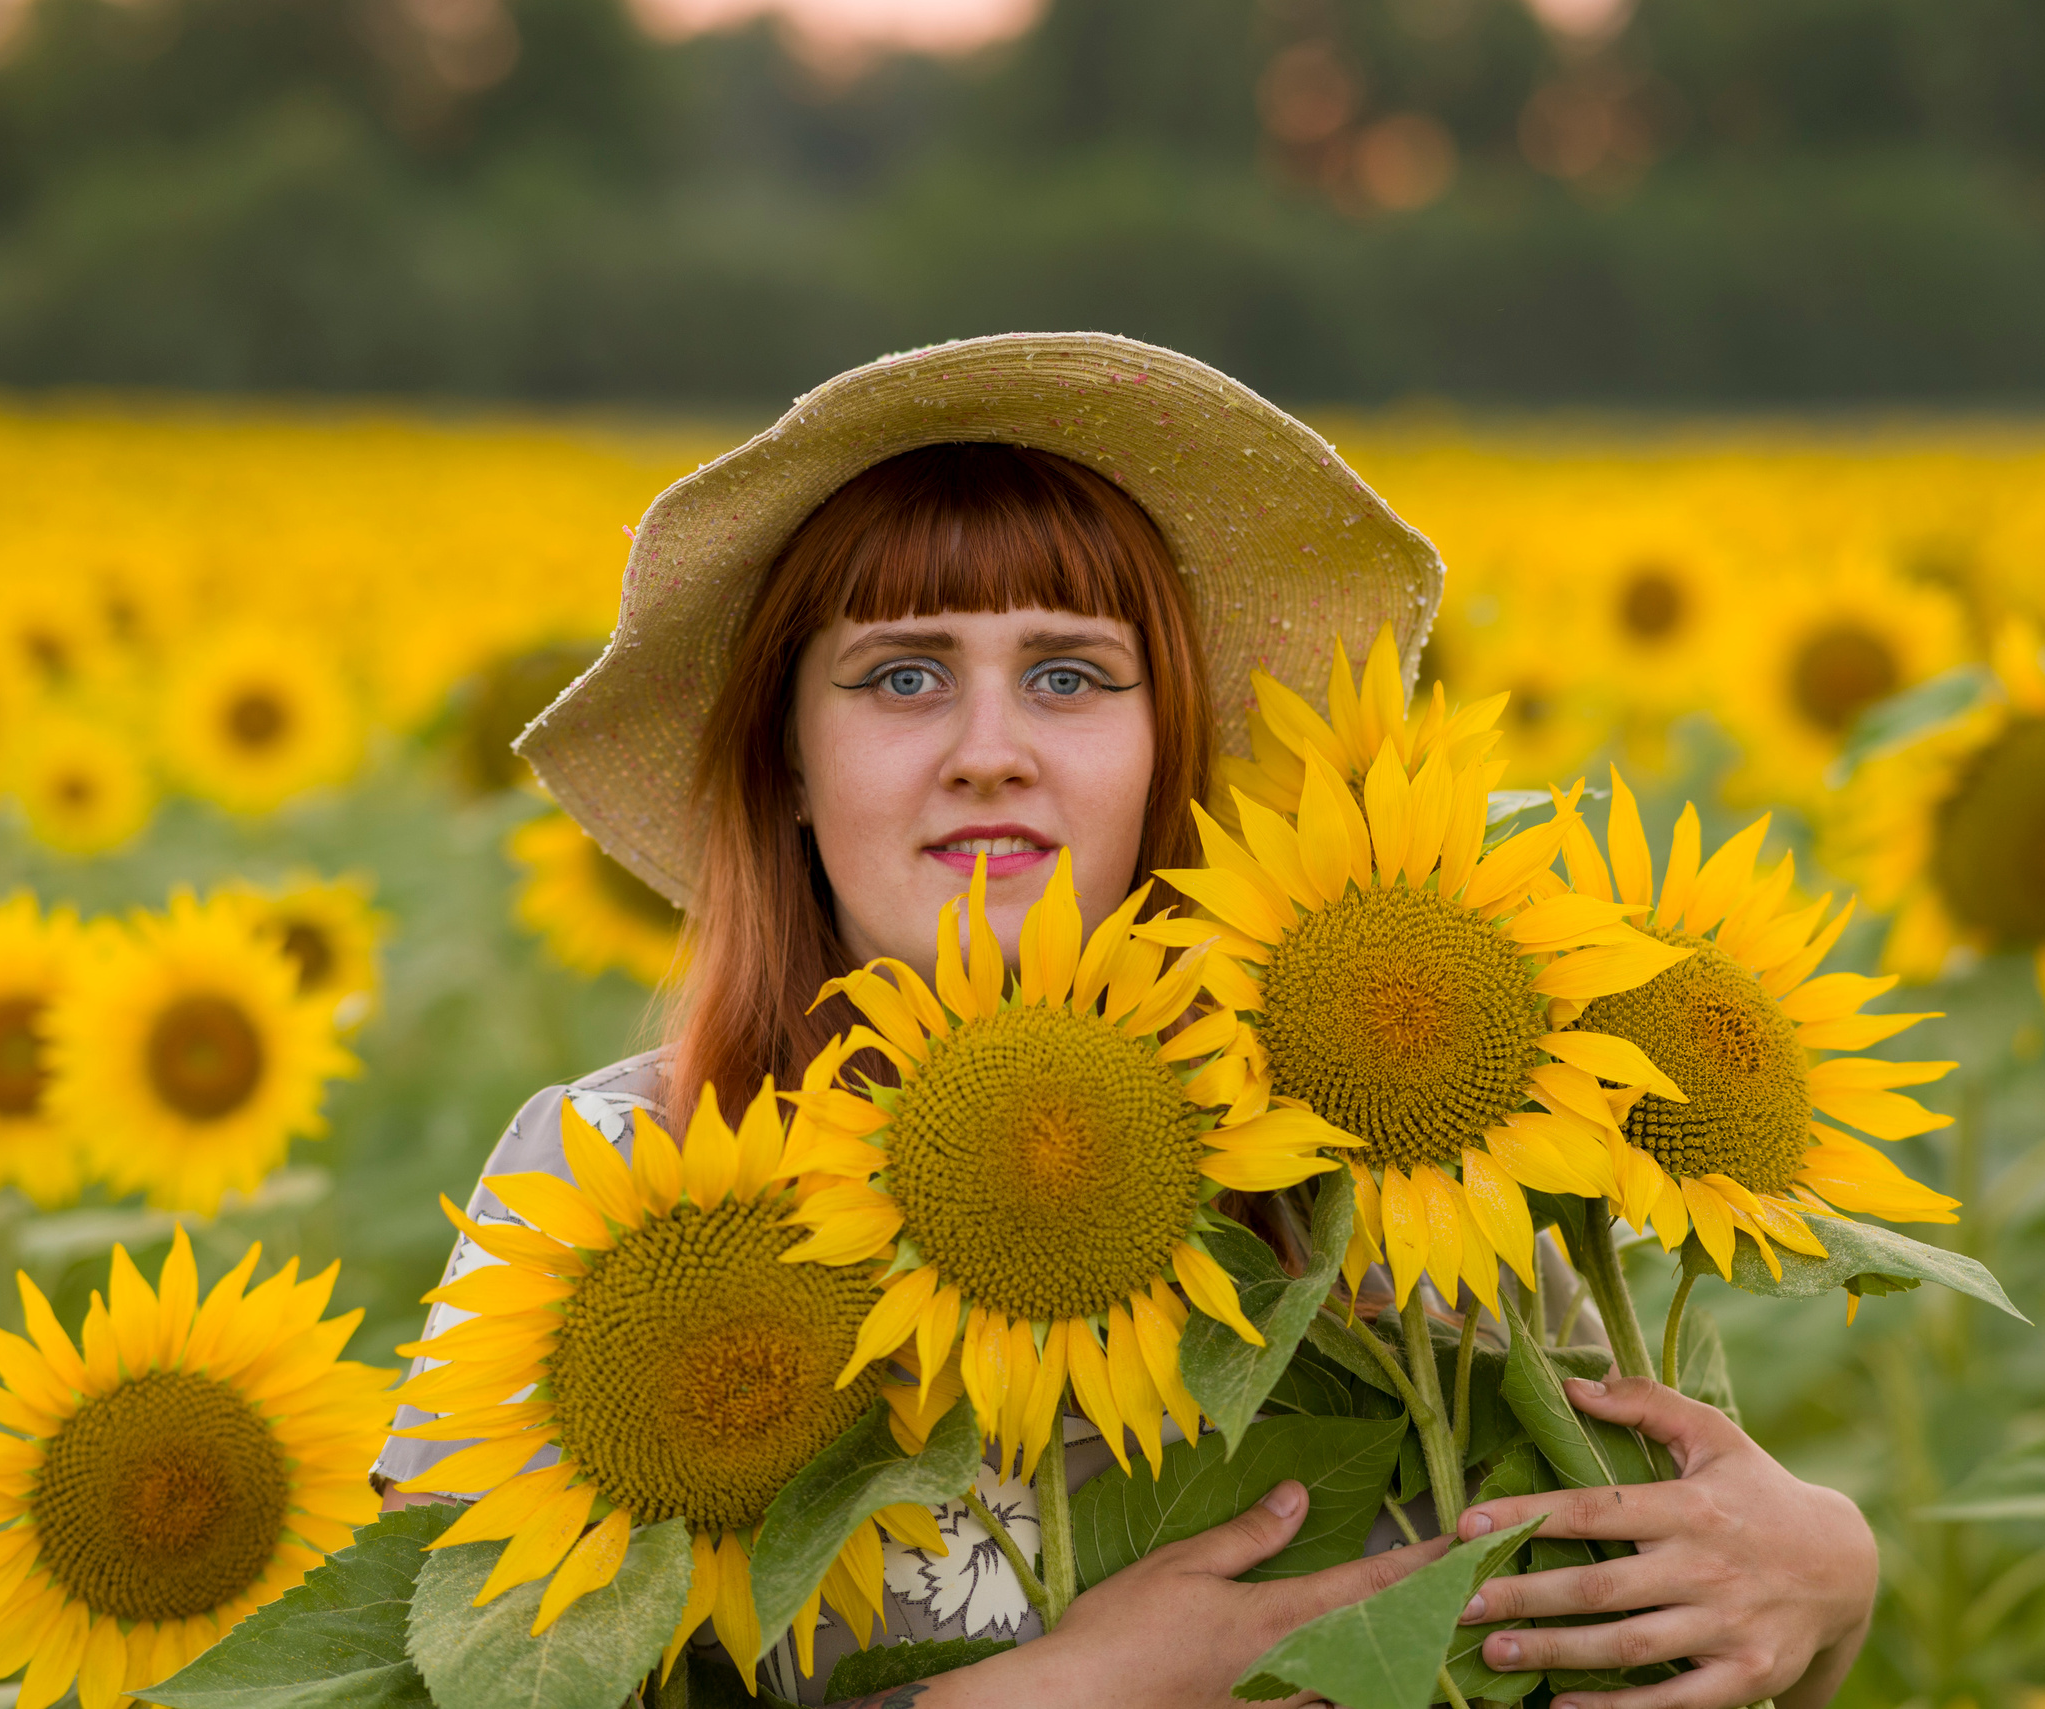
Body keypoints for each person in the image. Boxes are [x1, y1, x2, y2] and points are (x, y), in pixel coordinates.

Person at [376, 333, 1878, 1709]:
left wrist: (1822, 1590)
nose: (989, 752)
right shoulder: (614, 1179)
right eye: (903, 674)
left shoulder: (1397, 1166)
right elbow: (454, 1663)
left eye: (1070, 674)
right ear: (784, 762)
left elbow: (1647, 1624)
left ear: (1172, 752)